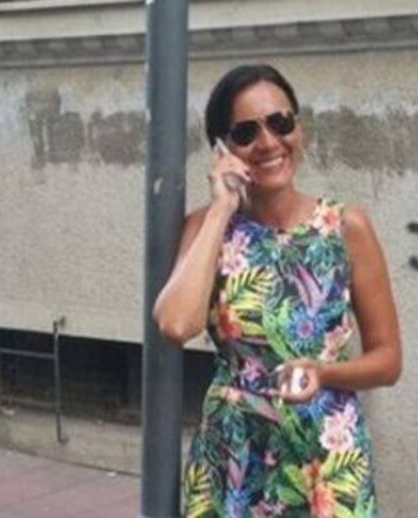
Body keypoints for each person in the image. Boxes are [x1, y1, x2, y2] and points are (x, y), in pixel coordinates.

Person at [153, 64, 402, 518]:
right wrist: (221, 209)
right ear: (223, 149)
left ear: (298, 128)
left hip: (324, 455)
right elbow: (175, 323)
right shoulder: (207, 228)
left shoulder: (345, 227)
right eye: (246, 132)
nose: (268, 142)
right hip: (235, 454)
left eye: (280, 122)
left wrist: (323, 373)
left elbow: (388, 361)